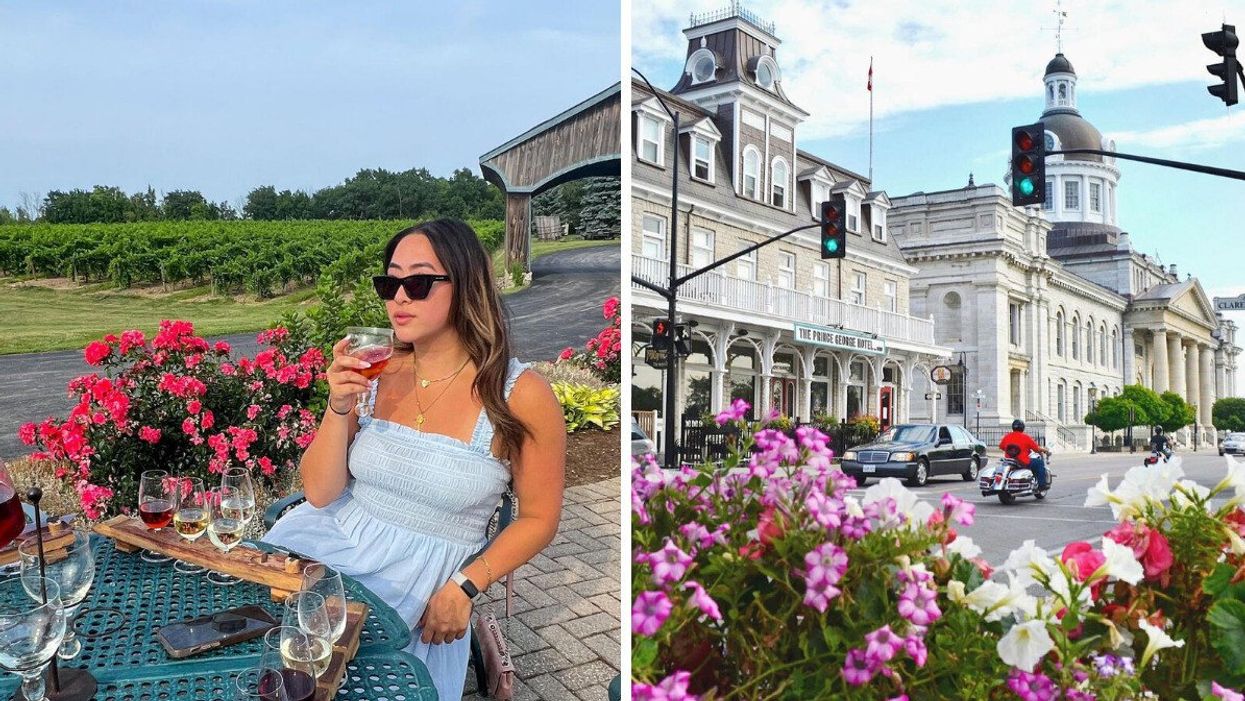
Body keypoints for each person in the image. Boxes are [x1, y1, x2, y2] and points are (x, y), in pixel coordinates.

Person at [263, 219, 566, 699]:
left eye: (419, 282)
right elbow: (321, 493)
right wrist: (337, 405)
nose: (399, 297)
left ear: (465, 285)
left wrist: (465, 586)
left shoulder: (518, 393)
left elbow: (538, 517)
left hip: (419, 586)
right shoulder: (379, 370)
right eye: (390, 282)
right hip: (328, 549)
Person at [999, 419, 1052, 490]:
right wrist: (1045, 450)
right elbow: (1036, 449)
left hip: (1009, 461)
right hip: (1022, 462)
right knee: (1039, 463)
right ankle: (1042, 485)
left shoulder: (1007, 436)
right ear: (1022, 428)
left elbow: (1001, 447)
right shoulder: (1025, 437)